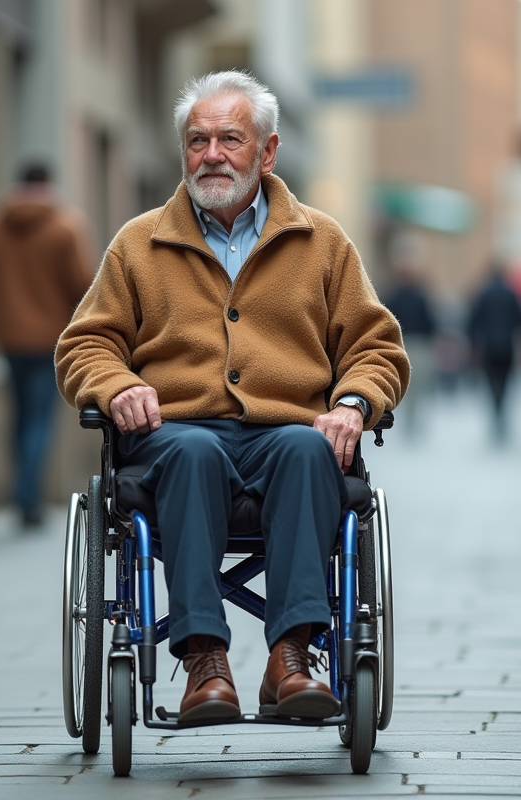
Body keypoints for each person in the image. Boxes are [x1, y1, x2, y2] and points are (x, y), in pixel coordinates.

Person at [55, 71, 408, 725]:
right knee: (192, 452)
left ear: (267, 152)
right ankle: (205, 663)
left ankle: (292, 656)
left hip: (288, 433)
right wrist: (119, 383)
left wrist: (354, 403)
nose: (211, 154)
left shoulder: (322, 242)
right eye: (197, 140)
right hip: (177, 436)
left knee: (309, 449)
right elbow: (85, 346)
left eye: (228, 138)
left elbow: (376, 348)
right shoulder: (137, 245)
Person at [0, 163, 95, 528]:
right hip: (51, 340)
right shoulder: (66, 227)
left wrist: (3, 308)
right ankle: (28, 497)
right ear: (48, 185)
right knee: (39, 419)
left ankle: (22, 489)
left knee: (19, 416)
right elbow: (84, 284)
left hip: (9, 337)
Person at [467, 264, 521, 442]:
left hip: (488, 347)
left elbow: (473, 321)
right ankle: (502, 414)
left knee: (491, 383)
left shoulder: (483, 294)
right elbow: (520, 320)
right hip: (507, 347)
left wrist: (473, 343)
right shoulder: (511, 294)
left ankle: (496, 412)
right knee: (506, 383)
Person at [384, 267, 438, 435]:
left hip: (401, 344)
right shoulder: (421, 296)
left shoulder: (394, 297)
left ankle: (410, 418)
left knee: (405, 385)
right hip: (418, 344)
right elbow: (430, 322)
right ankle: (413, 418)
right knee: (417, 384)